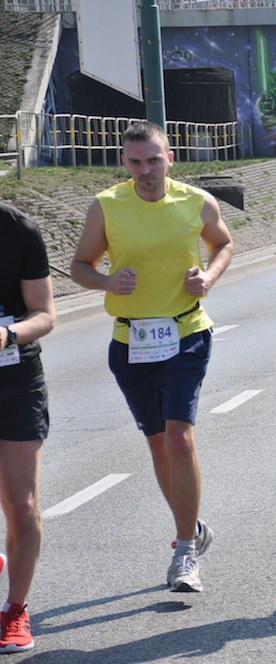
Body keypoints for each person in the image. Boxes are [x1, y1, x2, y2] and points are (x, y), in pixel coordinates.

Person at [71, 120, 234, 592]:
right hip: (132, 341)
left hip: (187, 333)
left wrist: (208, 276)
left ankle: (184, 551)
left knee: (180, 440)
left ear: (170, 159)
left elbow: (223, 244)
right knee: (160, 445)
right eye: (136, 162)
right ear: (124, 163)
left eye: (154, 160)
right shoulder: (106, 206)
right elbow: (80, 266)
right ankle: (192, 526)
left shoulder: (196, 201)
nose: (146, 170)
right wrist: (107, 281)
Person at [0, 204, 56, 653]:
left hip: (16, 381)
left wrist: (8, 335)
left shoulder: (18, 229)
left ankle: (15, 610)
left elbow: (44, 314)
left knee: (22, 506)